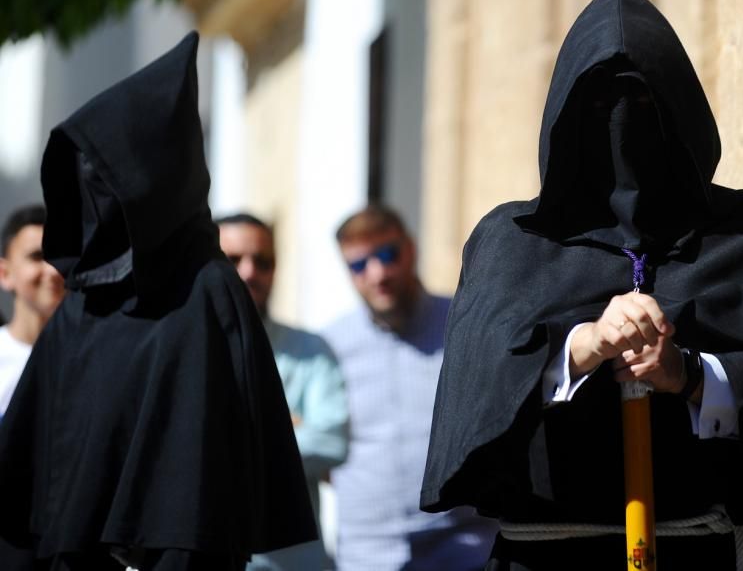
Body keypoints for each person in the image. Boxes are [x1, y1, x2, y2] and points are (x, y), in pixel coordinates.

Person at [420, 0, 743, 571]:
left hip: (702, 553)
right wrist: (582, 346)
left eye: (645, 102)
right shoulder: (511, 243)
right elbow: (476, 386)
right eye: (599, 104)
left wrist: (694, 376)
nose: (622, 121)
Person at [0, 33, 316, 569]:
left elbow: (201, 487)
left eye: (110, 174)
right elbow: (29, 483)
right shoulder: (83, 304)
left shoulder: (209, 295)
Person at [323, 204, 496, 570]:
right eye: (359, 265)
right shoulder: (330, 347)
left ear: (411, 249)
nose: (378, 273)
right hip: (368, 552)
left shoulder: (464, 325)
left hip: (463, 545)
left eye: (388, 254)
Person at [217, 213, 350, 570]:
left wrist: (229, 437)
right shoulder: (182, 351)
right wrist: (284, 427)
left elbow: (332, 441)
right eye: (233, 260)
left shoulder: (310, 350)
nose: (249, 272)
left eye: (263, 261)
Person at [0, 205, 65, 419]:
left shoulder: (91, 356)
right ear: (5, 273)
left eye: (59, 256)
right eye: (37, 256)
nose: (52, 270)